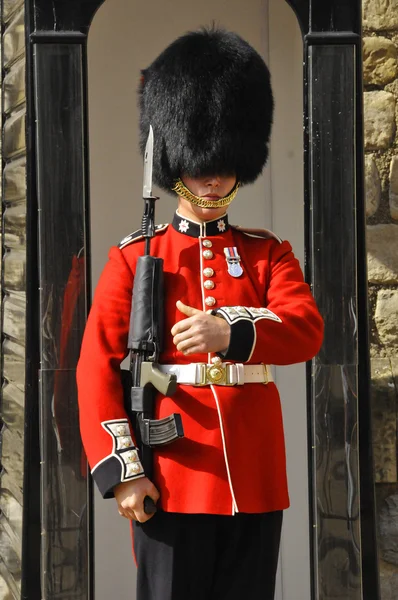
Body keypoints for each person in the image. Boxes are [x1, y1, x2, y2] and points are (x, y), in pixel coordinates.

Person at [77, 26, 324, 600]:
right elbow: (97, 372)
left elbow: (304, 330)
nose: (213, 175)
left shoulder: (268, 253)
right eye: (199, 162)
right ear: (174, 161)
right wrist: (126, 471)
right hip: (173, 474)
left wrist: (229, 330)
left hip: (254, 476)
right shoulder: (135, 257)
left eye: (224, 161)